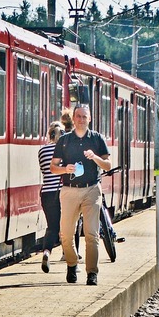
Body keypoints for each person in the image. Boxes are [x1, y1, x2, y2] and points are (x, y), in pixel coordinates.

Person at [50, 103, 112, 286]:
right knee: (66, 235)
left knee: (92, 234)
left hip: (92, 189)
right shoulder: (64, 141)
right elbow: (53, 167)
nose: (81, 120)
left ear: (90, 119)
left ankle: (92, 273)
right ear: (73, 119)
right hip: (69, 190)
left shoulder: (97, 139)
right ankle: (71, 264)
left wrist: (95, 158)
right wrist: (64, 169)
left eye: (85, 117)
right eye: (78, 116)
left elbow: (107, 166)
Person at [38, 123, 66, 273]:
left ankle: (46, 252)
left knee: (52, 227)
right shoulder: (63, 150)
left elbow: (44, 170)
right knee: (69, 226)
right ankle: (68, 255)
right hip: (62, 192)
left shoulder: (42, 150)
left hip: (46, 193)